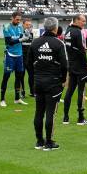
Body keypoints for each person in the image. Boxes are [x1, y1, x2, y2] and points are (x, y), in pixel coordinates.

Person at [28, 17, 68, 151]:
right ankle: (49, 142)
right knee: (50, 112)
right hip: (53, 82)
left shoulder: (35, 42)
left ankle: (39, 141)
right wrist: (63, 80)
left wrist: (34, 77)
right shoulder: (58, 43)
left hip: (38, 81)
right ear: (56, 28)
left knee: (39, 112)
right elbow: (65, 65)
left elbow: (29, 64)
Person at [63, 14, 87, 125]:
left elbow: (71, 47)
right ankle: (80, 118)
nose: (84, 23)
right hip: (80, 66)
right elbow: (80, 49)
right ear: (76, 20)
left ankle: (66, 117)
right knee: (81, 92)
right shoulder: (78, 31)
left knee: (69, 91)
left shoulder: (68, 30)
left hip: (71, 64)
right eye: (83, 21)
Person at [0, 11, 29, 107]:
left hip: (19, 55)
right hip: (10, 55)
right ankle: (2, 99)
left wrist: (26, 36)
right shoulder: (6, 27)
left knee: (19, 76)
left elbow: (21, 38)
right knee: (6, 76)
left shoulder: (20, 27)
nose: (18, 21)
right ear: (12, 18)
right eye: (17, 19)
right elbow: (9, 41)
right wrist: (21, 39)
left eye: (19, 20)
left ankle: (17, 98)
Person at [20, 18, 35, 98]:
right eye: (27, 25)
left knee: (32, 75)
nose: (28, 26)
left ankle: (33, 92)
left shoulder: (31, 34)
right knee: (21, 75)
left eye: (30, 25)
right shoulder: (20, 33)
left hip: (30, 59)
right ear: (23, 25)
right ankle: (22, 92)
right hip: (22, 58)